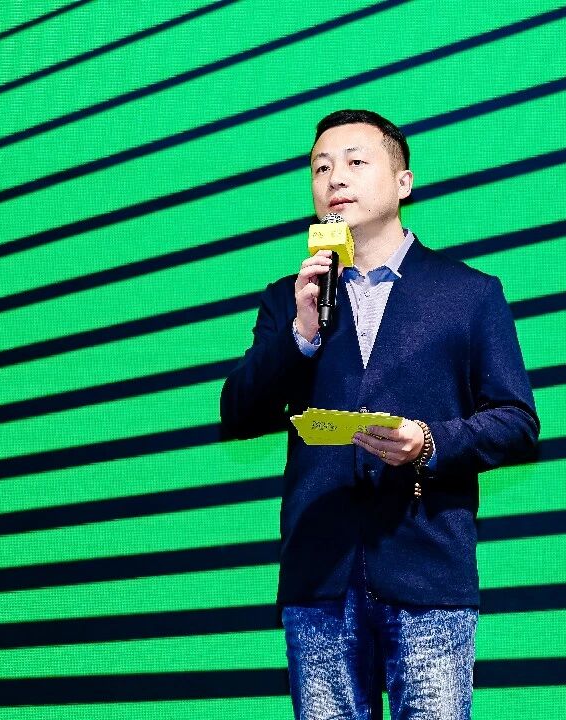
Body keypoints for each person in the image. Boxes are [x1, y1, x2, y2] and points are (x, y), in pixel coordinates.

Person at [220, 109, 540, 719]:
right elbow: (237, 411)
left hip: (428, 571)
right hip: (319, 576)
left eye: (355, 162)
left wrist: (428, 441)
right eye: (321, 168)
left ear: (403, 182)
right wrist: (300, 334)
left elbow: (517, 421)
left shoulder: (470, 293)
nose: (335, 178)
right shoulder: (290, 298)